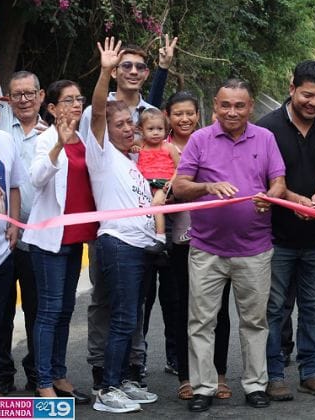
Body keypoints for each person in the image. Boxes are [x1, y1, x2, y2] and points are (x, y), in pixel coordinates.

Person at [173, 79, 286, 413]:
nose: (232, 112)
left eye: (239, 105)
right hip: (207, 249)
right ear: (215, 105)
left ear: (250, 107)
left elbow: (278, 181)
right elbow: (179, 187)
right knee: (201, 322)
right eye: (225, 105)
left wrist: (273, 196)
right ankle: (203, 388)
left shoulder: (265, 138)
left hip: (255, 249)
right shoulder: (199, 140)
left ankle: (255, 385)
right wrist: (207, 187)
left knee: (254, 322)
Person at [82, 35, 177, 392]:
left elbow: (150, 110)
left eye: (141, 66)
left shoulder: (133, 156)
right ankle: (106, 382)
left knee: (131, 313)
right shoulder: (102, 144)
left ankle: (127, 374)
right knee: (112, 310)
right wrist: (105, 72)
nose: (127, 128)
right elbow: (96, 113)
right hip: (114, 241)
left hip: (140, 242)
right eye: (127, 66)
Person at [257, 61, 315, 400]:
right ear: (292, 86)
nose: (313, 102)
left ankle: (311, 371)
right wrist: (299, 202)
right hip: (276, 236)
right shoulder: (266, 129)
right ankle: (274, 373)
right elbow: (268, 181)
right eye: (308, 95)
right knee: (275, 307)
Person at [24, 80, 95, 405]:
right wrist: (57, 147)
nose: (76, 105)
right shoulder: (47, 138)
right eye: (68, 100)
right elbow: (37, 178)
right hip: (49, 240)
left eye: (79, 99)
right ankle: (42, 382)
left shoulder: (84, 138)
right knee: (50, 311)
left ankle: (58, 374)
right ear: (51, 108)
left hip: (76, 237)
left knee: (65, 310)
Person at [162, 92, 233, 402]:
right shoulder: (158, 148)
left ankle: (218, 373)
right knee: (184, 309)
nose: (185, 119)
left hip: (218, 237)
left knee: (219, 311)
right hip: (178, 242)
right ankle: (186, 375)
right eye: (178, 113)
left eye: (190, 112)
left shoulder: (211, 143)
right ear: (167, 116)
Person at [0, 68, 46, 394]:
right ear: (9, 99)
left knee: (38, 312)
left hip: (36, 239)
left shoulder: (52, 133)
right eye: (17, 95)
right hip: (4, 242)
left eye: (30, 93)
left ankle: (40, 376)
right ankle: (0, 376)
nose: (24, 99)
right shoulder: (3, 131)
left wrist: (12, 222)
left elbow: (12, 186)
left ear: (41, 96)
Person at [0, 85, 25, 398]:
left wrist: (14, 224)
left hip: (0, 249)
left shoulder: (5, 140)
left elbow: (13, 187)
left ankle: (1, 378)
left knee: (1, 318)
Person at [135, 108, 180, 250]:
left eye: (160, 129)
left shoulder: (169, 147)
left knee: (156, 205)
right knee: (145, 209)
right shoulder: (140, 144)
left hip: (162, 184)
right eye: (151, 129)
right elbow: (125, 147)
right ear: (141, 130)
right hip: (144, 184)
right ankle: (148, 235)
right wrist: (132, 149)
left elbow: (180, 167)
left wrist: (171, 182)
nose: (156, 132)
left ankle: (160, 238)